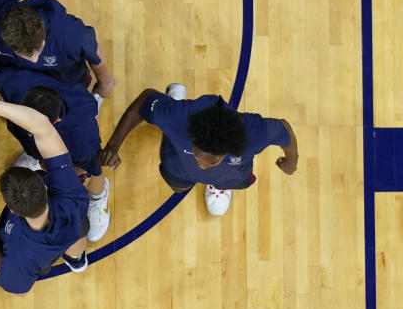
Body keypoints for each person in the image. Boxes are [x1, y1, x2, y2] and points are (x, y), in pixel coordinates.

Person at [0, 63, 110, 242]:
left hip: (76, 153)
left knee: (94, 170)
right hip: (38, 149)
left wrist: (54, 173)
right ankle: (37, 159)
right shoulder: (16, 82)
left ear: (57, 120)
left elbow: (92, 168)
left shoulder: (82, 136)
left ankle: (98, 199)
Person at [0, 92, 91, 296]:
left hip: (38, 260)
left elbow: (18, 290)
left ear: (12, 210)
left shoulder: (19, 257)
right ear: (45, 187)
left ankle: (75, 258)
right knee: (81, 226)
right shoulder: (70, 192)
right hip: (73, 224)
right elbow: (43, 126)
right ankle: (76, 260)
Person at [98, 84, 299, 216]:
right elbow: (146, 99)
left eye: (209, 161)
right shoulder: (176, 118)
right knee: (179, 187)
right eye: (198, 155)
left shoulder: (252, 134)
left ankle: (218, 185)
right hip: (178, 167)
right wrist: (113, 146)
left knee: (232, 179)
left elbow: (284, 129)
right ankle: (174, 99)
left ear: (228, 150)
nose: (201, 164)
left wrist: (292, 160)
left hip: (233, 176)